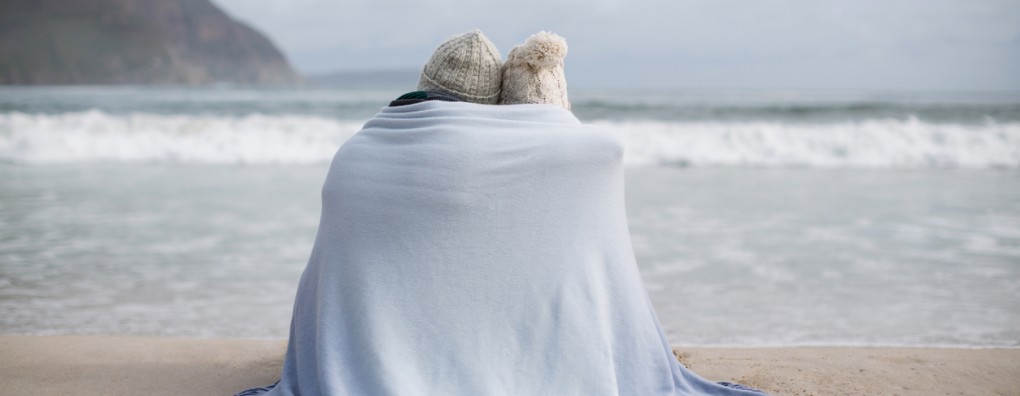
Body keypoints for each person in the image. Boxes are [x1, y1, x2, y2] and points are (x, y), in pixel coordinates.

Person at [236, 30, 765, 396]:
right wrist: (547, 119)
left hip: (352, 350)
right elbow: (595, 149)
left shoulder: (357, 152)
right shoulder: (586, 158)